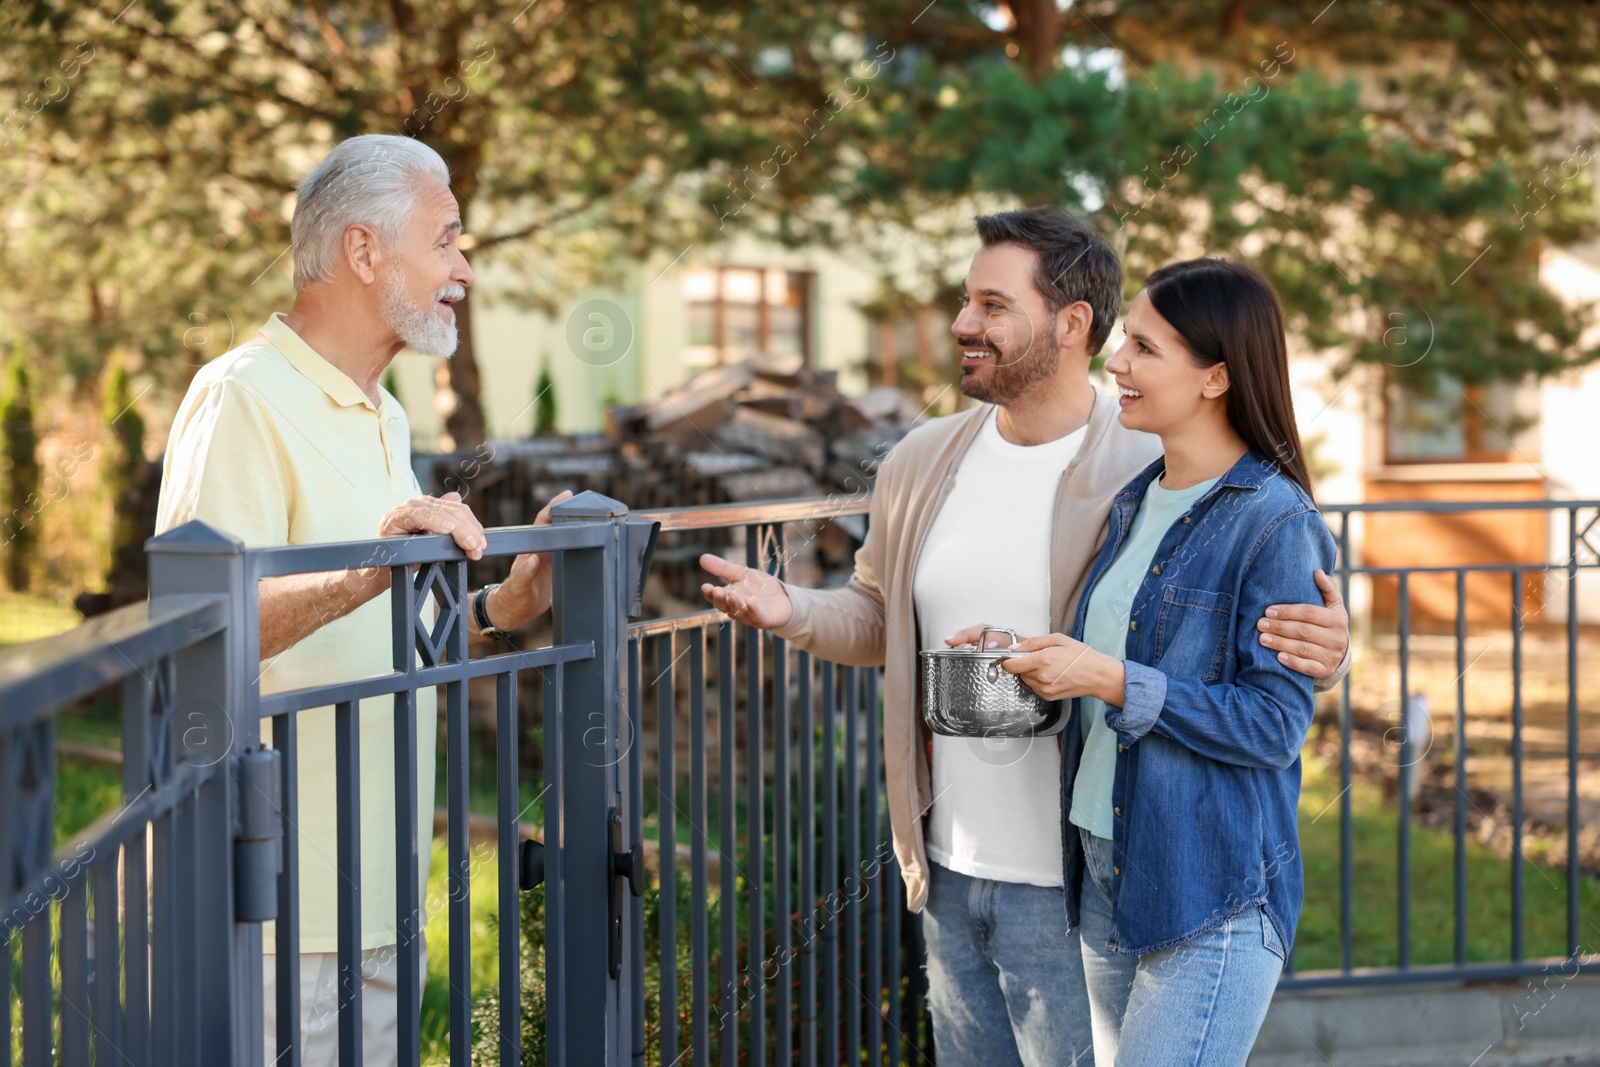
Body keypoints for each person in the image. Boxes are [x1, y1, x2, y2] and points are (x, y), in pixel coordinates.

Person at [697, 208, 1350, 1066]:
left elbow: (1254, 636)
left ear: (1070, 322)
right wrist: (791, 609)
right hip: (957, 864)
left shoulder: (1146, 460)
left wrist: (1333, 649)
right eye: (965, 300)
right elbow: (891, 615)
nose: (963, 324)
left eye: (992, 304)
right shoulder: (944, 465)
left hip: (1095, 873)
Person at [155, 134, 569, 1067]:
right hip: (273, 911)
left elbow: (383, 623)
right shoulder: (240, 398)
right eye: (447, 239)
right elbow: (194, 638)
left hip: (383, 896)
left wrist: (505, 603)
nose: (464, 267)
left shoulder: (384, 412)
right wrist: (368, 570)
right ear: (364, 251)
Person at [989, 258, 1337, 1066]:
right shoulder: (1134, 502)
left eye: (1145, 347)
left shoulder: (1275, 522)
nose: (1117, 362)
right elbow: (1116, 652)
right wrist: (1026, 656)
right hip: (1107, 865)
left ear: (1216, 376)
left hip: (1209, 887)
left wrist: (1107, 678)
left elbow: (1274, 724)